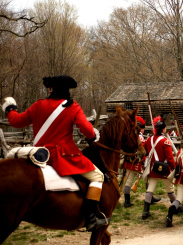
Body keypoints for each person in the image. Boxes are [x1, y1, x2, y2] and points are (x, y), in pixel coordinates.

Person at [2, 75, 107, 231]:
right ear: (67, 91)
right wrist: (93, 135)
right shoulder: (72, 107)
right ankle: (91, 218)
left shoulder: (38, 105)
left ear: (51, 89)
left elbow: (16, 121)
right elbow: (86, 129)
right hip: (63, 156)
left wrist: (10, 109)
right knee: (98, 176)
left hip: (39, 154)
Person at [142, 117, 176, 220]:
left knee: (150, 190)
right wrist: (174, 168)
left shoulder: (149, 139)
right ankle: (175, 207)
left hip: (153, 169)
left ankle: (145, 211)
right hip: (164, 170)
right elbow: (170, 157)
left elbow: (146, 152)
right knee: (170, 189)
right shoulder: (165, 141)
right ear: (163, 129)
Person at [123, 116, 147, 208]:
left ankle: (127, 201)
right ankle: (150, 197)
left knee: (128, 182)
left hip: (129, 162)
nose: (143, 130)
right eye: (143, 128)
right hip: (138, 163)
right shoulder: (139, 137)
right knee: (148, 180)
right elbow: (143, 151)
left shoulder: (128, 135)